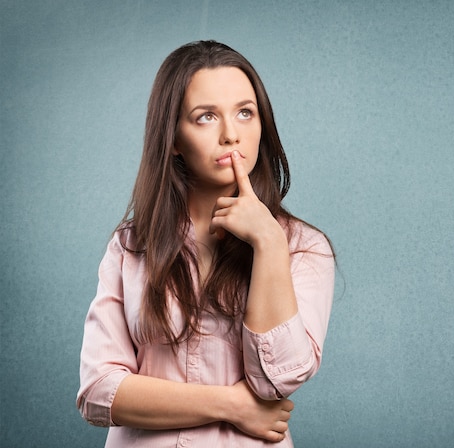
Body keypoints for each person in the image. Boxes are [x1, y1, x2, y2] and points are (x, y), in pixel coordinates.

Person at [77, 40, 335, 447]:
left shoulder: (303, 246)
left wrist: (268, 242)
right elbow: (99, 392)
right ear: (174, 137)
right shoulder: (130, 246)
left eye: (245, 113)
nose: (231, 135)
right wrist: (230, 405)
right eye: (206, 117)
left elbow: (278, 380)